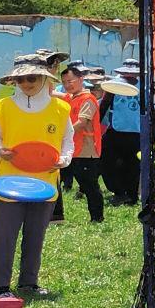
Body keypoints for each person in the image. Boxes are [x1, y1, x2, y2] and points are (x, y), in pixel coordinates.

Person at [0, 56, 72, 298]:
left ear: (45, 77)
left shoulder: (61, 109)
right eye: (20, 79)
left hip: (44, 183)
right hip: (9, 183)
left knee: (36, 235)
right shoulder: (3, 107)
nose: (26, 83)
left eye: (31, 78)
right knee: (4, 234)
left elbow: (68, 142)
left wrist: (64, 160)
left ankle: (29, 283)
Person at [58, 62, 105, 223]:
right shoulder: (71, 97)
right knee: (82, 182)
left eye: (70, 81)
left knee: (90, 185)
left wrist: (62, 134)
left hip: (87, 149)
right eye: (64, 82)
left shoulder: (88, 99)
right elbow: (57, 95)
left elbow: (82, 123)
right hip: (75, 148)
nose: (66, 85)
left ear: (80, 79)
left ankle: (97, 218)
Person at [101, 56, 142, 204]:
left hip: (136, 133)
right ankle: (118, 191)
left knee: (132, 166)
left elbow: (151, 110)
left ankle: (131, 196)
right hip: (115, 131)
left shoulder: (144, 87)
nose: (130, 76)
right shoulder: (114, 85)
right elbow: (104, 105)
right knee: (106, 162)